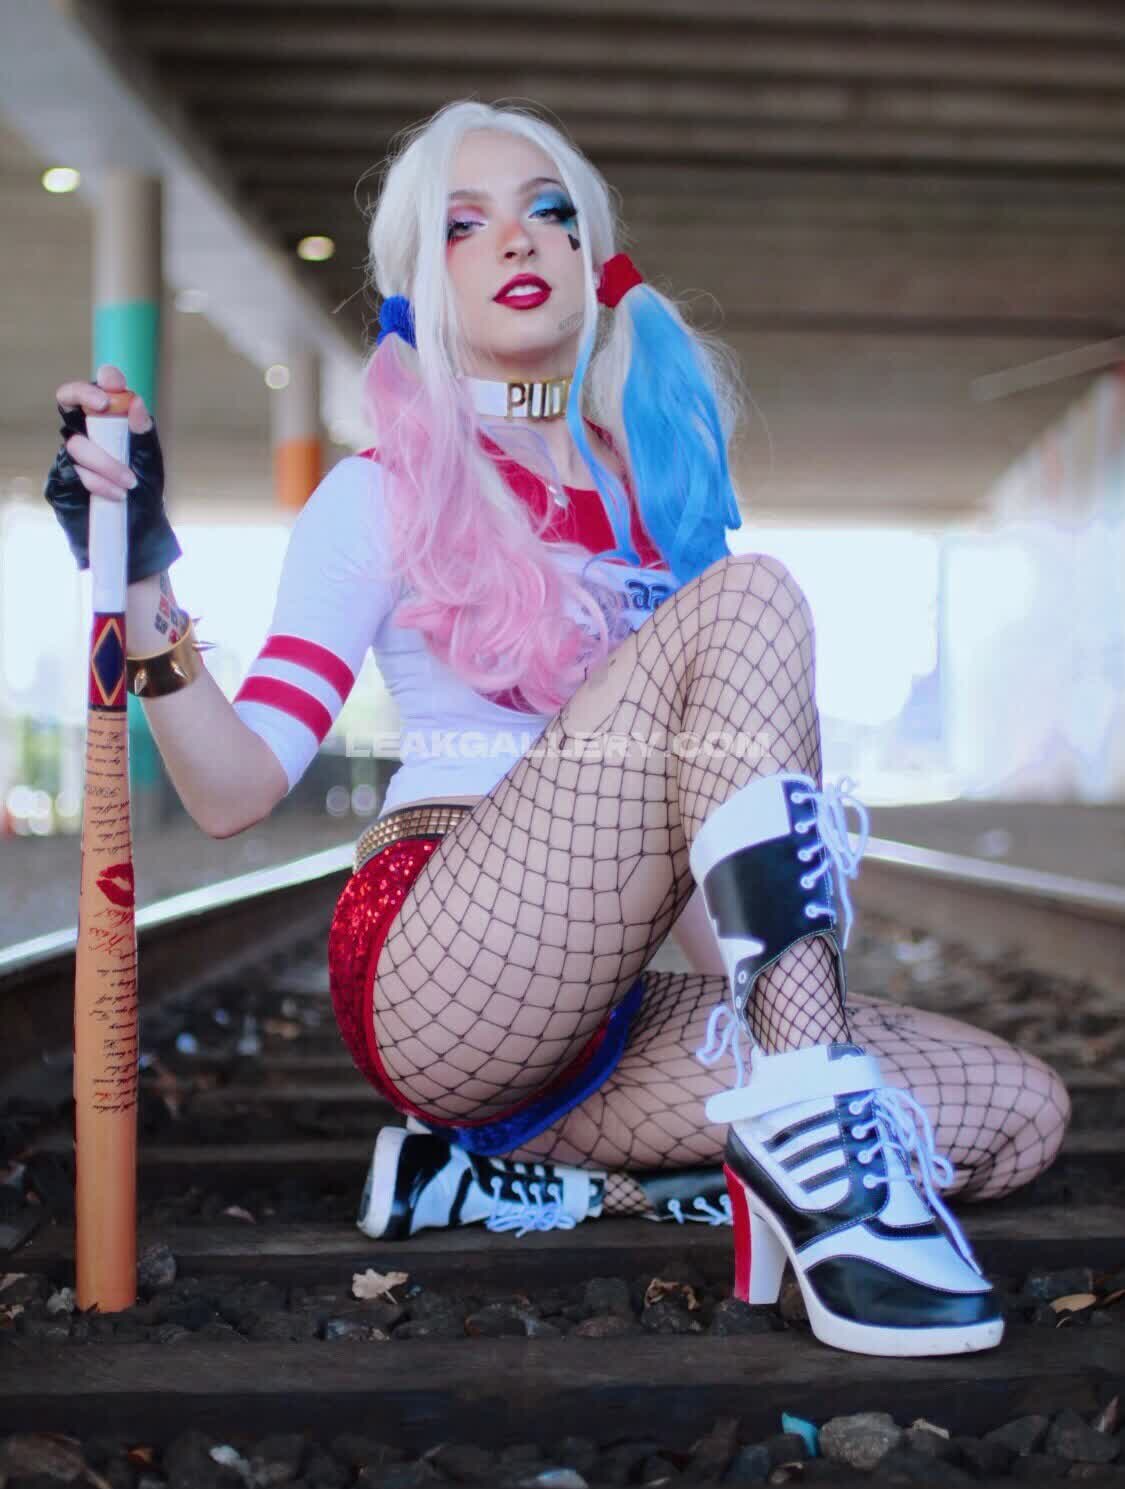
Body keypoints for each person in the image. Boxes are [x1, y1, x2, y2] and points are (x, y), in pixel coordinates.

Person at [46, 100, 1070, 1358]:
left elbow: (712, 887)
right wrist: (142, 576)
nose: (518, 240)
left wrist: (778, 1011)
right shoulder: (378, 491)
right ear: (423, 280)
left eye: (551, 213)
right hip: (442, 963)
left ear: (594, 258)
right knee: (752, 597)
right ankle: (826, 1163)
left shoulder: (660, 506)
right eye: (465, 224)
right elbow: (233, 788)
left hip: (605, 1017)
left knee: (1018, 1114)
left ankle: (519, 1179)